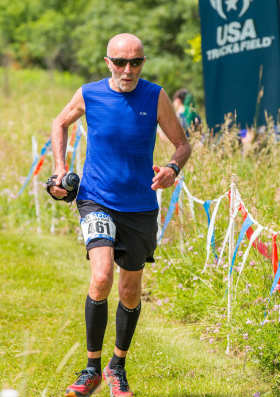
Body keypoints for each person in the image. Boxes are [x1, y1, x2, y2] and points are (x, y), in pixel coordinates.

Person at [49, 33, 191, 397]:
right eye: (121, 62)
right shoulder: (90, 93)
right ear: (107, 62)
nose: (128, 70)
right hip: (96, 198)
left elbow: (182, 143)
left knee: (130, 291)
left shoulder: (155, 95)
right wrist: (60, 169)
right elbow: (59, 122)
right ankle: (91, 369)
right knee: (101, 277)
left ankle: (117, 367)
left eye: (136, 62)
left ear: (143, 62)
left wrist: (172, 170)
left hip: (141, 206)